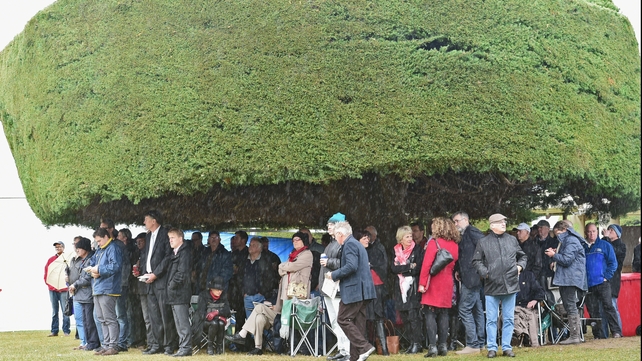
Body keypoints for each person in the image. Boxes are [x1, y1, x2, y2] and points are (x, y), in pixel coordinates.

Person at [472, 213, 527, 358]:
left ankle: (507, 347)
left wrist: (519, 267)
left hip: (510, 284)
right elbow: (476, 261)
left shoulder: (512, 240)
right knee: (491, 319)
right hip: (492, 285)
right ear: (492, 225)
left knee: (509, 318)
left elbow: (523, 256)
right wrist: (486, 273)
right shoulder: (483, 242)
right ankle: (492, 348)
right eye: (500, 222)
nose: (504, 223)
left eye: (504, 221)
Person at [327, 221, 377, 361]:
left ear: (340, 234)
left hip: (354, 290)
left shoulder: (349, 244)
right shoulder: (356, 244)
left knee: (342, 319)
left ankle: (365, 347)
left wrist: (334, 275)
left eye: (336, 236)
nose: (336, 239)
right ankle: (355, 357)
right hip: (364, 290)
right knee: (358, 324)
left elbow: (351, 266)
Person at [418, 217, 460, 357]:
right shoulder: (454, 244)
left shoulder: (434, 243)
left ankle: (432, 347)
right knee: (443, 314)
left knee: (430, 313)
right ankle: (443, 345)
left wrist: (422, 283)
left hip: (433, 281)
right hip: (447, 281)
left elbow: (426, 266)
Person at [139, 210, 177, 355]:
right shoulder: (149, 236)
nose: (144, 222)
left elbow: (168, 257)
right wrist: (143, 271)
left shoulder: (165, 234)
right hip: (149, 280)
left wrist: (155, 273)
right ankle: (156, 344)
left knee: (164, 314)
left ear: (153, 220)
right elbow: (148, 256)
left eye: (146, 219)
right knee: (153, 315)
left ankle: (168, 345)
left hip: (161, 280)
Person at [544, 221, 587, 345]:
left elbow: (567, 260)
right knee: (569, 306)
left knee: (571, 306)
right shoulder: (568, 240)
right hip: (568, 278)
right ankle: (574, 335)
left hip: (570, 279)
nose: (557, 236)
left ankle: (574, 336)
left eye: (557, 233)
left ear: (563, 229)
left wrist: (554, 255)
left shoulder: (571, 240)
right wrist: (555, 258)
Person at [452, 211, 485, 355]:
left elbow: (484, 247)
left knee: (464, 309)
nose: (455, 224)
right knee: (477, 310)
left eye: (456, 221)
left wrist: (477, 267)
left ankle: (473, 344)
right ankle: (481, 342)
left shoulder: (471, 231)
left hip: (472, 278)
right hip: (471, 276)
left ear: (465, 219)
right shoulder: (466, 234)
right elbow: (466, 255)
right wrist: (459, 269)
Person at [274, 231, 314, 351]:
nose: (295, 242)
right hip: (286, 291)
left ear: (303, 241)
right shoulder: (292, 254)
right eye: (294, 240)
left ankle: (300, 347)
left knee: (296, 320)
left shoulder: (307, 254)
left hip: (298, 292)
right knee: (283, 317)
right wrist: (285, 268)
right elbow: (281, 270)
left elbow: (290, 267)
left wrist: (284, 267)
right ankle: (285, 346)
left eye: (298, 239)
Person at [319, 212, 351, 361]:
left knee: (341, 320)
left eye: (331, 224)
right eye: (328, 225)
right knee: (334, 321)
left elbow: (348, 265)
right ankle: (342, 349)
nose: (328, 227)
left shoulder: (344, 243)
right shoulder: (332, 243)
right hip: (328, 288)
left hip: (338, 287)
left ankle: (347, 351)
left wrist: (329, 263)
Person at [582, 223, 621, 339]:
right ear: (585, 233)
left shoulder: (605, 245)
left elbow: (613, 263)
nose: (591, 234)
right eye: (589, 231)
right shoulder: (583, 247)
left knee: (609, 307)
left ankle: (616, 332)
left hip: (602, 283)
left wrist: (606, 277)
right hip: (588, 285)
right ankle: (599, 335)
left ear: (597, 232)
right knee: (593, 311)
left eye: (594, 231)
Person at [90, 227, 124, 356]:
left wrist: (99, 270)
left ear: (105, 237)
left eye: (99, 241)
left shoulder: (113, 248)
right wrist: (91, 270)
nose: (98, 243)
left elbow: (115, 266)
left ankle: (113, 346)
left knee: (110, 318)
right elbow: (92, 263)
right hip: (98, 287)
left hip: (109, 288)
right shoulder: (99, 250)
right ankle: (105, 344)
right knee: (101, 318)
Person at [390, 225, 423, 354]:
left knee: (413, 316)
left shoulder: (417, 250)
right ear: (400, 238)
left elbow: (417, 268)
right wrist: (409, 266)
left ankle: (417, 343)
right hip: (400, 288)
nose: (410, 238)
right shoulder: (395, 250)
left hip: (412, 287)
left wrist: (404, 267)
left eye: (410, 236)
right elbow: (393, 269)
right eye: (407, 236)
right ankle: (410, 343)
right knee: (404, 316)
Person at [68, 237, 100, 351]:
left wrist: (75, 284)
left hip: (87, 294)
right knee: (84, 320)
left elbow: (86, 278)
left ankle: (93, 342)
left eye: (79, 248)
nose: (77, 250)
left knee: (90, 320)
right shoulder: (82, 260)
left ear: (85, 248)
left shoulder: (90, 259)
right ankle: (87, 342)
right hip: (81, 294)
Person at [166, 228, 193, 357]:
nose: (170, 240)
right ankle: (183, 347)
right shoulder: (176, 252)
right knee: (178, 322)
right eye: (169, 238)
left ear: (180, 239)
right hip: (176, 292)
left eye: (173, 238)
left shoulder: (185, 252)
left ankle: (186, 347)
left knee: (182, 322)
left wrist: (171, 285)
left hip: (180, 292)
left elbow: (181, 273)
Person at [363, 226, 389, 356]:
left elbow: (381, 266)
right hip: (370, 285)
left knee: (377, 317)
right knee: (368, 317)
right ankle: (372, 347)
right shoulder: (371, 248)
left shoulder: (378, 248)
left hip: (376, 285)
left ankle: (383, 348)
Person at [242, 237, 279, 318]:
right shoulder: (245, 260)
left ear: (259, 248)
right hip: (247, 296)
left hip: (260, 297)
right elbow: (240, 277)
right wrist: (243, 292)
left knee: (261, 320)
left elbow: (270, 279)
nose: (250, 247)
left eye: (253, 245)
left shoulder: (265, 261)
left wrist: (262, 292)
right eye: (250, 245)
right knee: (250, 323)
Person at [131, 232, 156, 351]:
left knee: (151, 317)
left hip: (150, 288)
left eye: (141, 241)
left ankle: (153, 343)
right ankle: (150, 342)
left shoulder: (149, 252)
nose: (138, 244)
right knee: (146, 318)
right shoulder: (139, 253)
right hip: (142, 289)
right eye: (137, 242)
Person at [197, 277, 231, 355]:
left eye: (221, 290)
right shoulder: (203, 295)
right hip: (203, 322)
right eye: (217, 289)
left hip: (219, 322)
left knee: (221, 323)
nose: (220, 292)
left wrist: (216, 313)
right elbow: (201, 312)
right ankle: (210, 346)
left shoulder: (224, 296)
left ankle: (219, 347)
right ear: (211, 289)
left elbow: (227, 310)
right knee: (215, 323)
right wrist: (218, 316)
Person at [512, 270, 545, 347]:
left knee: (529, 316)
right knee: (513, 316)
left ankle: (524, 336)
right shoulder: (506, 276)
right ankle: (523, 334)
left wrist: (534, 300)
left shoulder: (528, 276)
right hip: (511, 307)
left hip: (527, 306)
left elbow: (540, 291)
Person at [45, 240, 71, 337]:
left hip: (64, 289)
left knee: (65, 310)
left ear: (63, 248)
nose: (58, 248)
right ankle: (54, 330)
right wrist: (51, 286)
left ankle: (66, 330)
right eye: (56, 247)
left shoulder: (67, 259)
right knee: (54, 311)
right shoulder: (51, 260)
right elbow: (47, 274)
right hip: (53, 290)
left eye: (60, 247)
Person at [603, 224, 626, 334]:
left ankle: (618, 331)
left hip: (613, 279)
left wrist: (606, 238)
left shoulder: (621, 245)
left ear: (617, 234)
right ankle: (603, 333)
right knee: (602, 307)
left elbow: (612, 253)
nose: (609, 231)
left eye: (612, 230)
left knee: (612, 305)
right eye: (609, 229)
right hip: (603, 279)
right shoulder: (606, 242)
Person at [230, 230, 250, 332]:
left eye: (237, 238)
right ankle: (238, 338)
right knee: (238, 315)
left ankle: (247, 340)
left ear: (243, 240)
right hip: (234, 288)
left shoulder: (248, 253)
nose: (235, 240)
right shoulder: (234, 253)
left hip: (244, 288)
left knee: (247, 315)